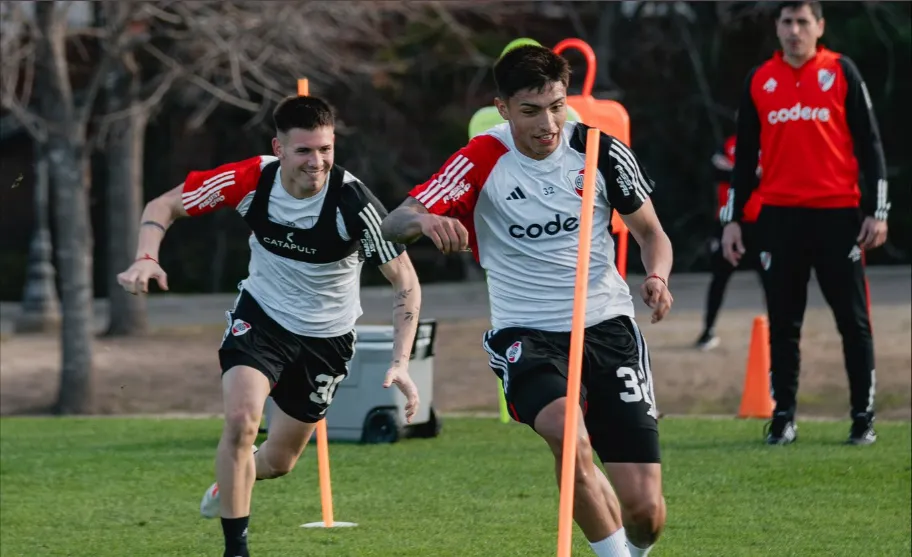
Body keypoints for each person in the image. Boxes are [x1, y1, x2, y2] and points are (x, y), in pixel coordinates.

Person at [381, 45, 672, 557]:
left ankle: (631, 547)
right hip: (528, 332)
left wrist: (658, 276)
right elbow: (394, 221)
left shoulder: (599, 149)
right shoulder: (481, 158)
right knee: (567, 436)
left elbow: (652, 233)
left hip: (607, 326)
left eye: (557, 106)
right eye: (531, 111)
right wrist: (426, 221)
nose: (548, 123)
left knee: (646, 514)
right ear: (504, 107)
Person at [116, 95, 422, 557]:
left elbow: (405, 281)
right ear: (278, 147)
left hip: (328, 339)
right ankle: (235, 549)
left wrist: (401, 361)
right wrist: (145, 256)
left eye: (325, 149)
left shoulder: (353, 203)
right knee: (241, 423)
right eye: (304, 151)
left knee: (279, 461)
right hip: (262, 318)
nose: (316, 162)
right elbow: (165, 205)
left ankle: (230, 482)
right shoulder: (249, 181)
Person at [721, 1, 890, 446]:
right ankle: (783, 417)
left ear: (819, 27)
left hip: (839, 216)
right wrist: (733, 221)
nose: (794, 31)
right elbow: (743, 161)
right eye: (786, 22)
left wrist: (878, 211)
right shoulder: (760, 79)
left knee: (853, 321)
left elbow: (871, 147)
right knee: (783, 322)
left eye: (802, 22)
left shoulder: (841, 71)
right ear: (776, 28)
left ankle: (862, 416)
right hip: (780, 217)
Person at [695, 134, 767, 350]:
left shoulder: (770, 142)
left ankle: (778, 332)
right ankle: (707, 331)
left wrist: (737, 174)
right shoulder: (728, 144)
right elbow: (716, 172)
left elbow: (766, 178)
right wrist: (747, 175)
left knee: (772, 279)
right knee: (719, 278)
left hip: (761, 222)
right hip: (727, 221)